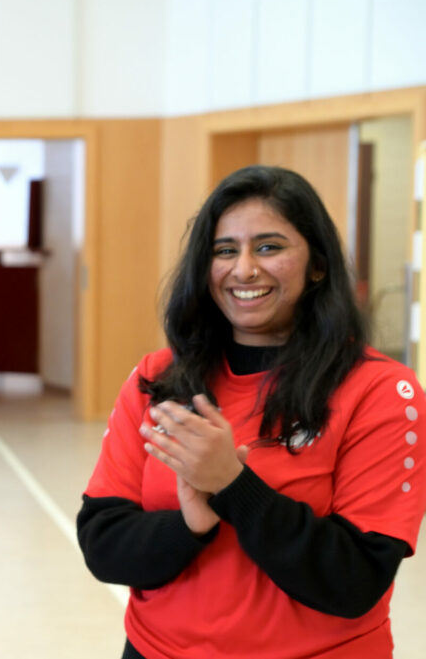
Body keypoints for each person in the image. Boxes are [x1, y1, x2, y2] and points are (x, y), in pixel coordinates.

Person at [77, 165, 426, 658]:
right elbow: (103, 544)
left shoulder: (382, 391)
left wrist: (233, 486)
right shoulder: (158, 379)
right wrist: (189, 524)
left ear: (318, 265)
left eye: (269, 247)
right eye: (224, 251)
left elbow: (355, 581)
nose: (243, 269)